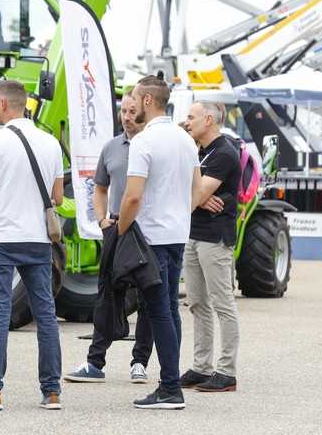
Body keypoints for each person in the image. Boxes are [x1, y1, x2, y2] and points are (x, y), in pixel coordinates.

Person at [0, 80, 64, 412]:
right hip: (38, 239)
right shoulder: (50, 143)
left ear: (4, 103)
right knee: (45, 314)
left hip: (3, 238)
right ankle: (52, 392)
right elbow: (58, 197)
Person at [118, 75, 201, 410]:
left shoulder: (143, 141)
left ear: (148, 101)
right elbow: (196, 189)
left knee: (159, 312)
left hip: (150, 238)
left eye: (135, 99)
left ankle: (170, 388)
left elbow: (132, 197)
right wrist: (179, 215)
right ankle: (171, 380)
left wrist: (121, 230)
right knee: (168, 309)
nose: (132, 105)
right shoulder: (185, 139)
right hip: (177, 235)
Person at [64, 90, 153, 384]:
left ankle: (139, 362)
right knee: (107, 296)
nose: (127, 117)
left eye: (132, 111)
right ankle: (95, 362)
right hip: (116, 229)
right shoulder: (112, 147)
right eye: (123, 111)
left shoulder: (152, 145)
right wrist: (102, 220)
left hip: (146, 231)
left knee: (147, 299)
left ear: (143, 110)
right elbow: (99, 187)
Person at [181, 101, 241, 393]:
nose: (186, 121)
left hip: (215, 238)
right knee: (197, 303)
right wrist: (201, 197)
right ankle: (201, 367)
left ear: (208, 120)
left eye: (191, 117)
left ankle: (226, 372)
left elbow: (195, 192)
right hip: (194, 234)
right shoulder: (199, 151)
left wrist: (199, 195)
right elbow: (193, 190)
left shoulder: (225, 153)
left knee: (222, 304)